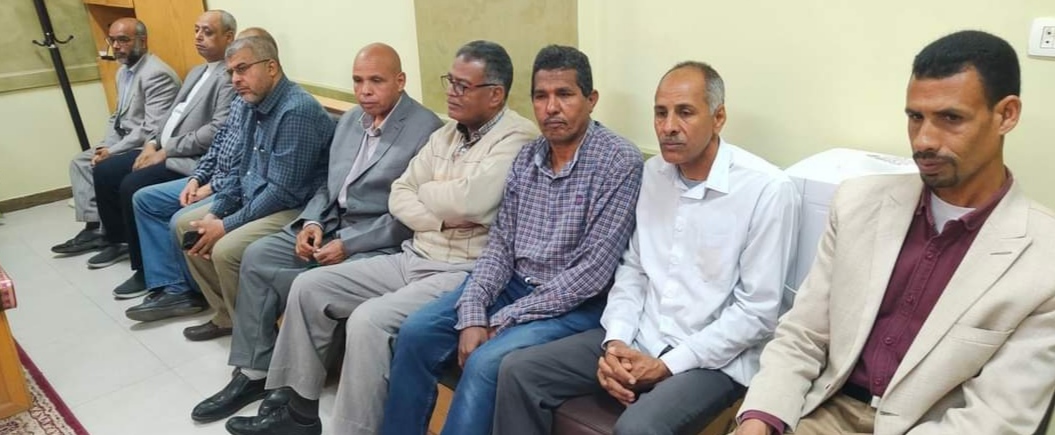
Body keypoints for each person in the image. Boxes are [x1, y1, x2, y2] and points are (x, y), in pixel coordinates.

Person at [734, 30, 1055, 435]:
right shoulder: (857, 204)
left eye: (951, 118)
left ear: (1006, 115)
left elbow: (996, 418)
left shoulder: (1048, 260)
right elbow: (803, 334)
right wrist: (760, 416)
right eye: (915, 117)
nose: (924, 140)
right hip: (824, 408)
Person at [211, 40, 538, 435]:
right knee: (309, 288)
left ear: (495, 94)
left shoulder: (517, 138)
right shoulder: (449, 133)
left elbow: (471, 200)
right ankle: (297, 413)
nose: (450, 93)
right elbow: (400, 194)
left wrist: (428, 195)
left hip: (460, 269)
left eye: (462, 86)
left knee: (368, 321)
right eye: (449, 82)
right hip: (414, 252)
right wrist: (440, 216)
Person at [493, 61, 799, 435]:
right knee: (519, 371)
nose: (668, 126)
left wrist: (667, 365)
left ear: (718, 118)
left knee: (637, 428)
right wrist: (616, 342)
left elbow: (757, 311)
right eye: (660, 113)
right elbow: (634, 269)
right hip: (642, 335)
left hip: (711, 358)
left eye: (685, 112)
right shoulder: (654, 173)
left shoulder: (767, 189)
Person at [381, 44, 644, 435]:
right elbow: (500, 247)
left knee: (486, 362)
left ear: (591, 100)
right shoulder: (527, 157)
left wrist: (503, 320)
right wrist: (474, 311)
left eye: (564, 94)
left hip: (576, 305)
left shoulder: (619, 162)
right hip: (514, 286)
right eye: (541, 96)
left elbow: (591, 274)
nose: (551, 107)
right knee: (416, 333)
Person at [166, 33, 335, 341]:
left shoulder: (296, 110)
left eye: (242, 69)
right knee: (186, 226)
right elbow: (239, 170)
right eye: (231, 72)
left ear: (271, 67)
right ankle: (229, 316)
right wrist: (216, 213)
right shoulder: (248, 103)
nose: (235, 79)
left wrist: (225, 225)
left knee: (225, 249)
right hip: (261, 195)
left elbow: (282, 191)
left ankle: (257, 338)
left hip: (296, 206)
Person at [87, 10, 237, 273]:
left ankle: (144, 267)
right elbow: (169, 115)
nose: (198, 37)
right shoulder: (197, 71)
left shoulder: (228, 77)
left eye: (207, 32)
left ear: (229, 37)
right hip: (162, 147)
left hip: (188, 158)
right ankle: (119, 242)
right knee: (105, 170)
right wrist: (151, 144)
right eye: (196, 30)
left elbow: (216, 130)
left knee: (131, 184)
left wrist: (166, 151)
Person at [52, 18, 179, 256]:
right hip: (123, 140)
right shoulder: (123, 72)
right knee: (81, 162)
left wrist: (112, 152)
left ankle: (108, 235)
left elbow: (151, 128)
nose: (117, 46)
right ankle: (95, 229)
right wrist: (105, 146)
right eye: (112, 40)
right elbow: (117, 117)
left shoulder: (156, 74)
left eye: (123, 40)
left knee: (104, 166)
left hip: (145, 145)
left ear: (143, 41)